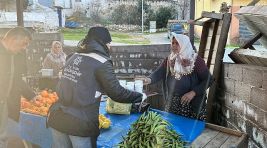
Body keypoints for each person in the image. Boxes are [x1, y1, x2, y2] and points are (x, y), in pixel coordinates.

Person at [48, 27, 145, 148]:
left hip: (57, 117)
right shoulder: (101, 61)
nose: (110, 46)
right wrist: (140, 96)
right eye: (109, 43)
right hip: (80, 123)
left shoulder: (73, 56)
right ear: (103, 42)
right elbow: (116, 93)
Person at [142, 33, 212, 120]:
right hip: (173, 102)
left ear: (184, 44)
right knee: (173, 128)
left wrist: (193, 93)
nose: (174, 46)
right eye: (173, 43)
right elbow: (159, 72)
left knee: (191, 130)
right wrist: (148, 79)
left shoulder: (195, 60)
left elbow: (209, 79)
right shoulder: (170, 59)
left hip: (192, 102)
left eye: (177, 43)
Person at [0, 27, 35, 148]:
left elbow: (16, 78)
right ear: (14, 39)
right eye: (24, 43)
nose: (25, 48)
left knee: (4, 138)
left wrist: (31, 95)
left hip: (5, 104)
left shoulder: (16, 54)